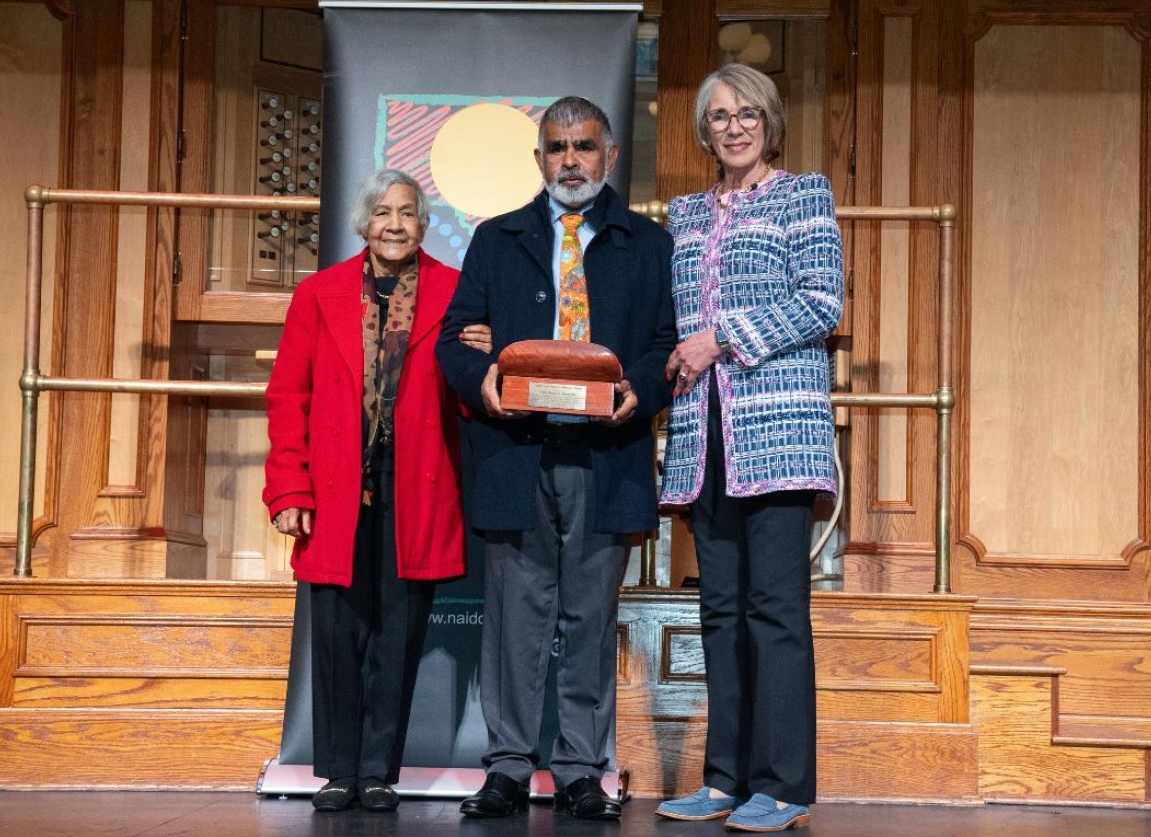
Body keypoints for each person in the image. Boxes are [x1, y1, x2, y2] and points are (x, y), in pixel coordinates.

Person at [436, 96, 676, 821]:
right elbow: (453, 339)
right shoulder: (494, 239)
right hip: (515, 451)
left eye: (583, 147)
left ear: (607, 156)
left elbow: (667, 342)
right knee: (514, 615)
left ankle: (578, 769)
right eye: (556, 147)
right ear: (539, 158)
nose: (569, 160)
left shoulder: (647, 243)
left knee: (589, 617)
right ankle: (507, 767)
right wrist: (480, 382)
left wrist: (639, 388)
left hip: (607, 453)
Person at [263, 169, 489, 814]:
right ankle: (337, 771)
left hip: (419, 485)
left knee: (399, 632)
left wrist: (487, 354)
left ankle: (378, 770)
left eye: (409, 212)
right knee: (337, 632)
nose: (396, 224)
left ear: (425, 224)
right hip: (334, 486)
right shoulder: (318, 294)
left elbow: (474, 392)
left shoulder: (457, 293)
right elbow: (287, 399)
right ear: (363, 224)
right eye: (384, 212)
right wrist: (287, 489)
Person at [655, 64, 844, 832]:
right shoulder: (685, 212)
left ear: (768, 122)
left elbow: (822, 301)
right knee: (720, 611)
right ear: (705, 130)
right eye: (720, 117)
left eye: (747, 114)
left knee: (775, 613)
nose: (733, 127)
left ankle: (785, 785)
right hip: (706, 438)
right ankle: (724, 778)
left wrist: (720, 338)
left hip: (777, 435)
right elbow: (673, 325)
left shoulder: (804, 195)